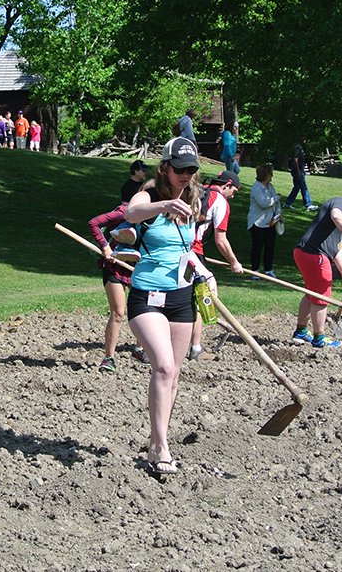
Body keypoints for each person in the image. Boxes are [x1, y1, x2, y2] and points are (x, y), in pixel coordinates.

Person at [126, 137, 216, 475]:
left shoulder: (194, 198)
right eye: (180, 168)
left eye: (191, 169)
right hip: (147, 296)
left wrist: (205, 273)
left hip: (181, 298)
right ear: (165, 167)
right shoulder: (149, 195)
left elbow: (186, 249)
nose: (186, 174)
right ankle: (162, 447)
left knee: (174, 374)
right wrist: (163, 207)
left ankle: (156, 438)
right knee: (163, 367)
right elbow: (131, 214)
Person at [292, 185, 342, 348]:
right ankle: (319, 338)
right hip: (315, 255)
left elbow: (336, 247)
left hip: (305, 252)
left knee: (311, 294)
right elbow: (336, 216)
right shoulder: (340, 204)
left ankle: (301, 332)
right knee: (321, 297)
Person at [88, 204, 150, 374]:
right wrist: (106, 248)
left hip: (137, 267)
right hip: (114, 267)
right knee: (118, 313)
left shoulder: (157, 217)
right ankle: (109, 358)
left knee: (143, 310)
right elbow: (94, 223)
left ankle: (139, 350)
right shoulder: (125, 213)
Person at [188, 170, 243, 360]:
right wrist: (234, 262)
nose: (233, 196)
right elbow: (221, 240)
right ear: (226, 185)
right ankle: (195, 348)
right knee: (204, 294)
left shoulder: (193, 190)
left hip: (173, 248)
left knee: (178, 296)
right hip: (193, 251)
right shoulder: (220, 202)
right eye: (233, 191)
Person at [247, 164, 282, 278]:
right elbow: (265, 203)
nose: (272, 175)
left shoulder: (270, 186)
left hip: (270, 222)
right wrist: (277, 197)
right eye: (270, 173)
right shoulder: (256, 187)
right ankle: (255, 271)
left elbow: (276, 204)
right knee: (257, 247)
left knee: (270, 246)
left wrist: (278, 213)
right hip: (257, 222)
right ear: (265, 174)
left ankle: (268, 270)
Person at [284, 142, 318, 211]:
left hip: (299, 171)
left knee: (296, 188)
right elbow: (295, 161)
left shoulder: (297, 148)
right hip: (297, 172)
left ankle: (287, 203)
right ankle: (308, 204)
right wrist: (298, 172)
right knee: (304, 187)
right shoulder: (297, 149)